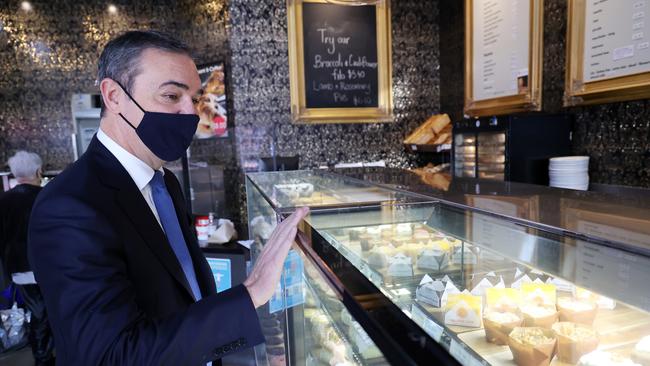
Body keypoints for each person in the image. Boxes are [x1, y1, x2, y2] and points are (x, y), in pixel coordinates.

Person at [28, 30, 309, 365]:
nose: (191, 114)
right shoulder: (70, 206)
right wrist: (250, 294)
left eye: (195, 99)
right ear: (114, 96)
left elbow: (183, 297)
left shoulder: (164, 184)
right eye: (172, 96)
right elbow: (111, 356)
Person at [0, 151, 55, 366]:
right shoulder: (47, 197)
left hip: (19, 271)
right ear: (38, 171)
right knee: (51, 316)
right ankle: (45, 358)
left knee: (38, 315)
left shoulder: (3, 201)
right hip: (50, 268)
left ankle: (42, 356)